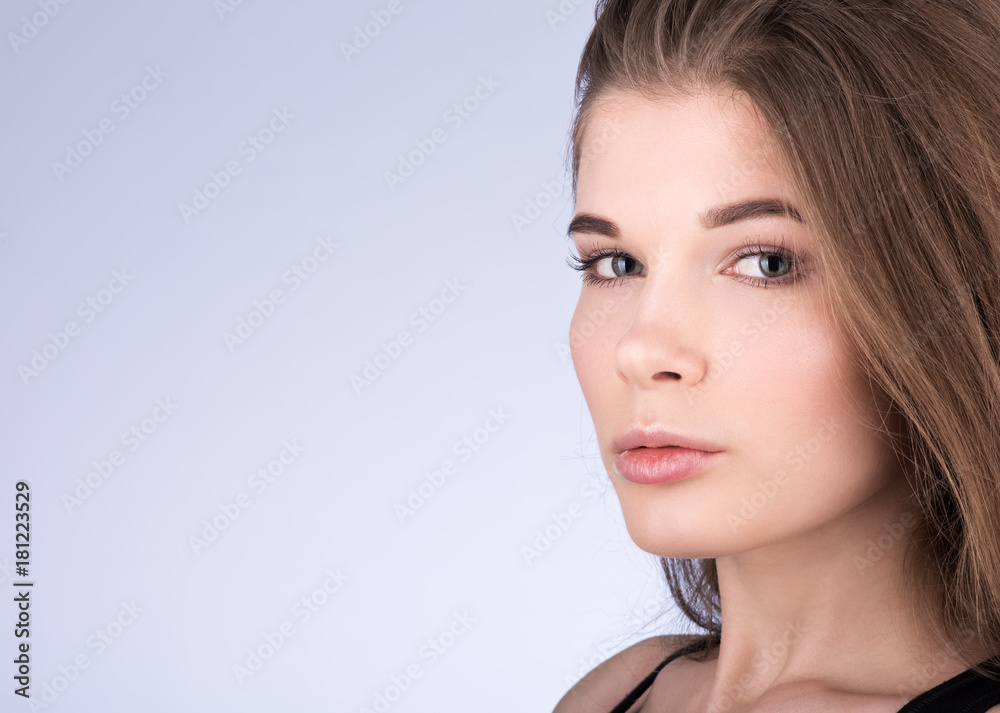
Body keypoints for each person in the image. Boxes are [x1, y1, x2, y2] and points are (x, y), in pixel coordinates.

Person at [552, 1, 1000, 711]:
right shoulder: (620, 691)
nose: (640, 350)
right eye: (615, 263)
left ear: (944, 295)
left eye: (766, 262)